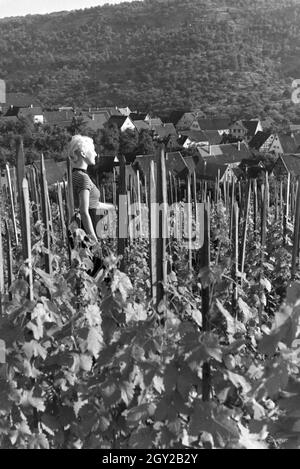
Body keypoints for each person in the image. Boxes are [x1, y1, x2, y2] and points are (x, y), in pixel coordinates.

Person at [68, 135, 112, 275]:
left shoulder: (74, 175)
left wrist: (113, 207)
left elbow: (94, 204)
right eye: (92, 150)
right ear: (82, 153)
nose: (95, 153)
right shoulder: (83, 178)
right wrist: (94, 240)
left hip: (77, 229)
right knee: (98, 275)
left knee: (84, 273)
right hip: (87, 231)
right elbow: (84, 210)